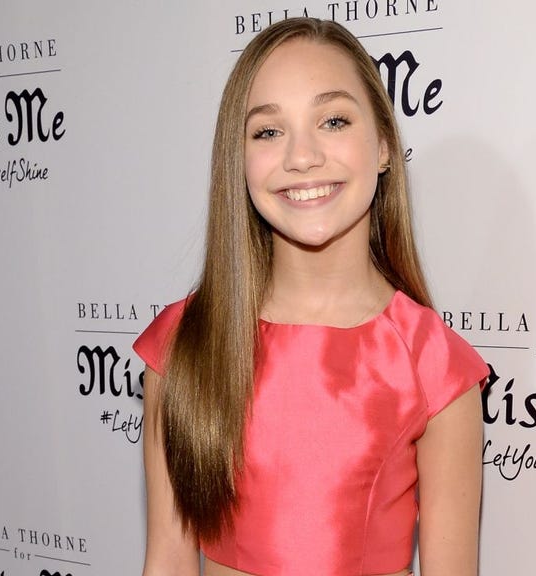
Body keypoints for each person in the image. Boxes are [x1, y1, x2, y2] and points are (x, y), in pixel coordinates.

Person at [134, 17, 488, 576]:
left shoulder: (434, 368)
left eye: (333, 120)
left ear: (384, 146)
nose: (301, 156)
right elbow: (168, 562)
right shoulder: (184, 345)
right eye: (268, 132)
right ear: (237, 159)